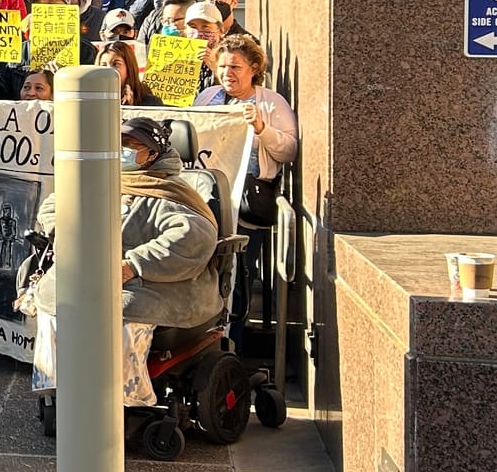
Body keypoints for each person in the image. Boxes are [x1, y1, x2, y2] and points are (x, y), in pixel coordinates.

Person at [19, 116, 221, 329]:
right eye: (118, 143)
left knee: (116, 312)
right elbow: (54, 206)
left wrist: (133, 265)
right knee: (54, 299)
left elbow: (193, 238)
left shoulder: (168, 191)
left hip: (138, 285)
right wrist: (68, 234)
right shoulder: (97, 177)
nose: (121, 150)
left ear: (152, 155)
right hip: (83, 273)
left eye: (130, 146)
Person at [195, 34, 299, 340]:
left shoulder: (271, 102)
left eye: (235, 67)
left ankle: (234, 342)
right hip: (208, 201)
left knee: (239, 278)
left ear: (253, 68)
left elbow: (289, 150)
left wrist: (261, 129)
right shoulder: (207, 97)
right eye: (222, 66)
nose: (227, 73)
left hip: (245, 205)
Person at [95, 41, 162, 106]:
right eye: (103, 65)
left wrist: (129, 108)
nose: (109, 70)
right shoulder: (93, 98)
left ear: (129, 67)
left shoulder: (151, 102)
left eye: (115, 64)